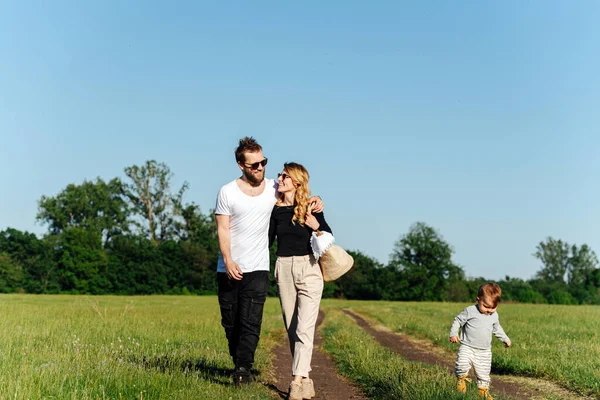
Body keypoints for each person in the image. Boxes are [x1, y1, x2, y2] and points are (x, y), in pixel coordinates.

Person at [215, 137, 323, 387]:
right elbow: (223, 229)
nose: (260, 168)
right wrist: (228, 260)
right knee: (230, 322)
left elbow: (297, 190)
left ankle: (243, 369)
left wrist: (316, 200)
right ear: (241, 165)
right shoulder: (227, 192)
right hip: (228, 268)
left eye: (263, 162)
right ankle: (239, 361)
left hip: (259, 267)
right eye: (254, 165)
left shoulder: (275, 186)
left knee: (251, 321)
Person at [268, 162, 331, 400]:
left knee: (305, 328)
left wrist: (316, 226)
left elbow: (328, 237)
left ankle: (295, 383)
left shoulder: (310, 206)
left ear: (296, 182)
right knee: (292, 328)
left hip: (309, 269)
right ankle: (305, 377)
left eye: (284, 175)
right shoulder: (274, 211)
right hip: (283, 267)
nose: (279, 178)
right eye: (279, 175)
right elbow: (267, 241)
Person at [449, 283, 512, 400]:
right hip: (467, 346)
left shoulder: (494, 315)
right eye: (486, 306)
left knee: (483, 373)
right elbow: (457, 321)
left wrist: (505, 339)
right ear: (478, 299)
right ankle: (461, 380)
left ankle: (483, 391)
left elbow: (497, 329)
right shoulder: (470, 311)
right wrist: (453, 333)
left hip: (484, 351)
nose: (489, 310)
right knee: (461, 364)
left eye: (493, 307)